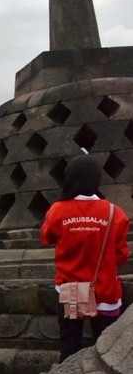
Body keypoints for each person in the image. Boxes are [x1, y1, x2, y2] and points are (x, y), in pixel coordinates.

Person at [40, 154, 130, 362]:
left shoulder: (57, 211)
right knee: (108, 349)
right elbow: (121, 255)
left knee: (70, 346)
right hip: (105, 290)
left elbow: (46, 238)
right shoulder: (114, 213)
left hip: (72, 289)